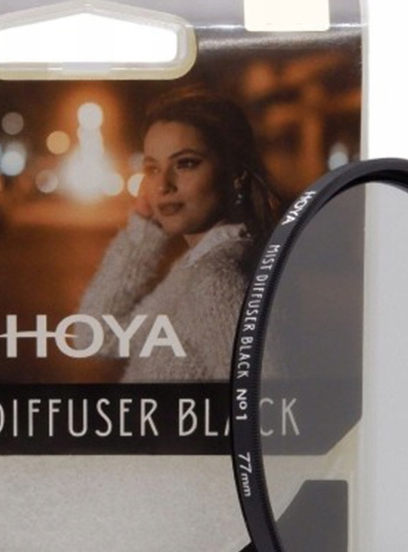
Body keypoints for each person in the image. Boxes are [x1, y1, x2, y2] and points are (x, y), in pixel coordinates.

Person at [77, 87, 280, 381]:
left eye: (185, 163)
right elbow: (95, 337)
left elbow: (263, 399)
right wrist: (143, 228)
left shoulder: (215, 280)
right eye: (152, 168)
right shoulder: (195, 267)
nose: (163, 185)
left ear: (235, 174)